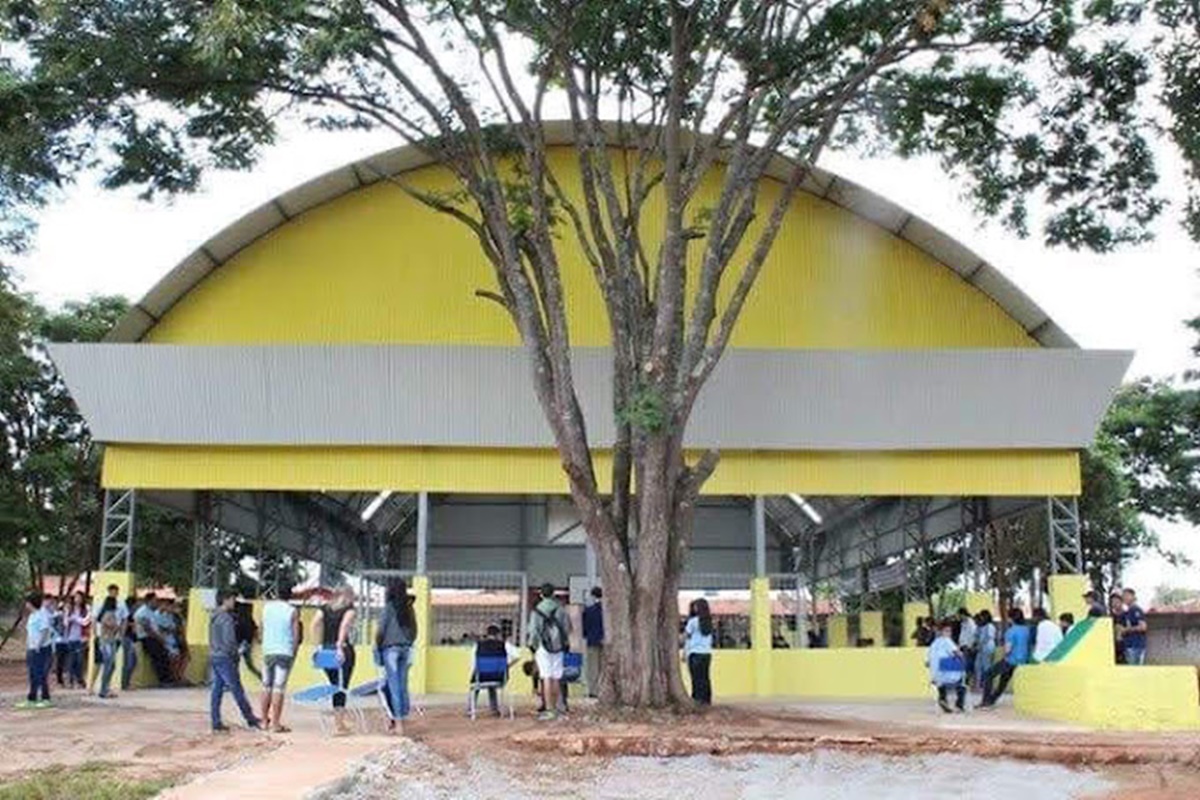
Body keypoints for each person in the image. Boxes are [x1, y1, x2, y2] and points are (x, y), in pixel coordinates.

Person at [209, 590, 261, 732]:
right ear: (225, 600)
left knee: (217, 690)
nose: (234, 602)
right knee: (236, 689)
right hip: (226, 657)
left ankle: (215, 720)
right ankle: (250, 718)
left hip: (215, 655)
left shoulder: (214, 616)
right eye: (232, 599)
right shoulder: (226, 618)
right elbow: (229, 641)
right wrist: (236, 653)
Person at [312, 586, 358, 735]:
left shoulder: (324, 609)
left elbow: (315, 623)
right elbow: (344, 626)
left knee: (334, 685)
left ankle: (339, 723)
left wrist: (318, 645)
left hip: (326, 650)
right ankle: (339, 725)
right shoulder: (349, 610)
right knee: (341, 687)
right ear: (348, 596)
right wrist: (339, 646)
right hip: (342, 651)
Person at [376, 580, 417, 732]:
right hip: (406, 649)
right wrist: (407, 642)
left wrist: (379, 645)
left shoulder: (389, 607)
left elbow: (381, 630)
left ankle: (398, 724)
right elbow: (415, 630)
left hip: (390, 649)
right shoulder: (409, 608)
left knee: (393, 686)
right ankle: (402, 720)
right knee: (402, 686)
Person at [260, 586, 301, 733]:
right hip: (284, 652)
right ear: (290, 596)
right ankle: (275, 723)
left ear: (276, 594)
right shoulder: (292, 611)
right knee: (279, 688)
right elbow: (296, 635)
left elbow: (261, 629)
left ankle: (264, 721)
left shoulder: (266, 608)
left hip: (268, 651)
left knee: (266, 686)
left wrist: (265, 644)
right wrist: (294, 652)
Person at [527, 583, 570, 721]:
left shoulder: (537, 611)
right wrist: (564, 642)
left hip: (543, 647)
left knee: (546, 676)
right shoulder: (561, 609)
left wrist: (532, 646)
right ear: (553, 594)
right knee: (556, 677)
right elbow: (567, 628)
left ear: (541, 594)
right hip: (558, 646)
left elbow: (533, 631)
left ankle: (549, 709)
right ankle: (557, 708)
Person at [978, 607, 1030, 708]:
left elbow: (1008, 649)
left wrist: (1004, 655)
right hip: (1022, 661)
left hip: (1011, 660)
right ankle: (991, 700)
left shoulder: (1011, 631)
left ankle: (986, 701)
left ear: (1011, 618)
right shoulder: (1026, 630)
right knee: (1003, 680)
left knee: (989, 674)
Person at [469, 624, 521, 718]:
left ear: (487, 634)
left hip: (481, 677)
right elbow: (517, 656)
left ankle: (470, 710)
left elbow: (473, 663)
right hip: (500, 676)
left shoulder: (478, 645)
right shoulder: (504, 644)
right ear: (498, 634)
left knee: (475, 684)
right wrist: (507, 666)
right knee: (492, 683)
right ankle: (494, 709)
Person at [18, 593, 53, 709]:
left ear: (31, 603)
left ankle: (46, 698)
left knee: (41, 674)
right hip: (31, 648)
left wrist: (39, 644)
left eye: (27, 602)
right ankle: (32, 698)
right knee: (32, 674)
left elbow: (45, 630)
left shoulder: (42, 614)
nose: (26, 604)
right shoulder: (32, 616)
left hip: (41, 649)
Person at [927, 619, 966, 713]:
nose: (949, 633)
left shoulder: (934, 643)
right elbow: (958, 653)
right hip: (946, 670)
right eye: (947, 631)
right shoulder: (947, 641)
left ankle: (943, 699)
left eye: (949, 631)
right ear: (941, 631)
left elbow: (928, 661)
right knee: (962, 682)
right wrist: (962, 657)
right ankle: (959, 705)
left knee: (941, 684)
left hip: (936, 674)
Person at [135, 592, 173, 685]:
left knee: (164, 655)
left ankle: (168, 678)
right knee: (159, 656)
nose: (157, 603)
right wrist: (159, 638)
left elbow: (155, 627)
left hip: (154, 637)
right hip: (147, 638)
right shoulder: (142, 612)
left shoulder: (151, 612)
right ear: (149, 601)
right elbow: (148, 629)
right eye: (155, 600)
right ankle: (163, 680)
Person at [684, 598, 715, 706]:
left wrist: (684, 651)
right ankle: (706, 699)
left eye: (696, 607)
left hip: (695, 653)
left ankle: (697, 698)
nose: (694, 608)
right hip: (707, 653)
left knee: (696, 678)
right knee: (705, 677)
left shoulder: (693, 621)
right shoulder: (709, 622)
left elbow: (686, 636)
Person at [92, 595, 123, 698]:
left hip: (110, 641)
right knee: (109, 665)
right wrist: (117, 627)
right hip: (106, 641)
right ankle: (103, 689)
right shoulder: (109, 614)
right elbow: (111, 625)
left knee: (111, 665)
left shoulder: (109, 613)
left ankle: (106, 687)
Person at [64, 592, 91, 689]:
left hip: (82, 638)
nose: (77, 599)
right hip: (71, 637)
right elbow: (65, 622)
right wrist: (70, 618)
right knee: (71, 660)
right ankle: (70, 680)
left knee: (80, 660)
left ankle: (80, 680)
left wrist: (75, 619)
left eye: (79, 597)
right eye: (76, 597)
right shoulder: (69, 608)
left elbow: (86, 622)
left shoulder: (86, 608)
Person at [582, 586, 604, 698]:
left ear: (592, 596)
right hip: (607, 642)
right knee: (604, 667)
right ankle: (604, 689)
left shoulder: (589, 610)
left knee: (592, 667)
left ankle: (593, 690)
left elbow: (584, 628)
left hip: (592, 640)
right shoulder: (608, 610)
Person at [1120, 588, 1148, 665]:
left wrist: (1128, 629)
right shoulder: (1127, 612)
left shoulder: (1136, 610)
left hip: (1136, 646)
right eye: (1123, 596)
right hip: (1129, 645)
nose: (1124, 598)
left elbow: (1143, 627)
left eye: (1127, 595)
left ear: (1133, 597)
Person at [973, 610, 997, 692]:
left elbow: (988, 638)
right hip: (981, 649)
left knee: (986, 667)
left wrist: (979, 645)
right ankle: (978, 685)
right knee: (978, 666)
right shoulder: (981, 626)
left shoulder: (990, 626)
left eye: (982, 616)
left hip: (987, 648)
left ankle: (988, 686)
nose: (981, 618)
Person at [121, 596, 140, 690]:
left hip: (131, 638)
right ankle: (125, 683)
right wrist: (132, 625)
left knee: (133, 661)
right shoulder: (126, 614)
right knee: (128, 662)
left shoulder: (131, 614)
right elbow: (123, 624)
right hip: (127, 638)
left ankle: (127, 682)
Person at [956, 607, 977, 684]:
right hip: (963, 647)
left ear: (963, 614)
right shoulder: (963, 623)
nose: (958, 617)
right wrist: (959, 645)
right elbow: (962, 636)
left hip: (968, 647)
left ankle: (969, 681)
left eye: (959, 615)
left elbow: (973, 635)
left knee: (968, 666)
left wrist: (970, 646)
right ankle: (965, 681)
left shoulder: (970, 623)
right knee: (965, 665)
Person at [1109, 592, 1127, 664]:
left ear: (1121, 602)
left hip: (1125, 645)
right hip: (1113, 645)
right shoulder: (1110, 616)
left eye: (1116, 601)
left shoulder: (1127, 614)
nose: (1114, 604)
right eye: (1112, 602)